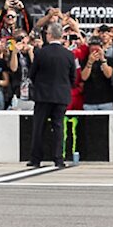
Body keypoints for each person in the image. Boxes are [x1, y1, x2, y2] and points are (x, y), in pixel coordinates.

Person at [27, 22, 75, 168]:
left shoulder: (41, 52)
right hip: (61, 96)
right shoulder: (68, 55)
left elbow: (32, 74)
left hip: (43, 95)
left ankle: (36, 159)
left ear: (49, 35)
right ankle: (58, 159)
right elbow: (72, 77)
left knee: (39, 127)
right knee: (58, 127)